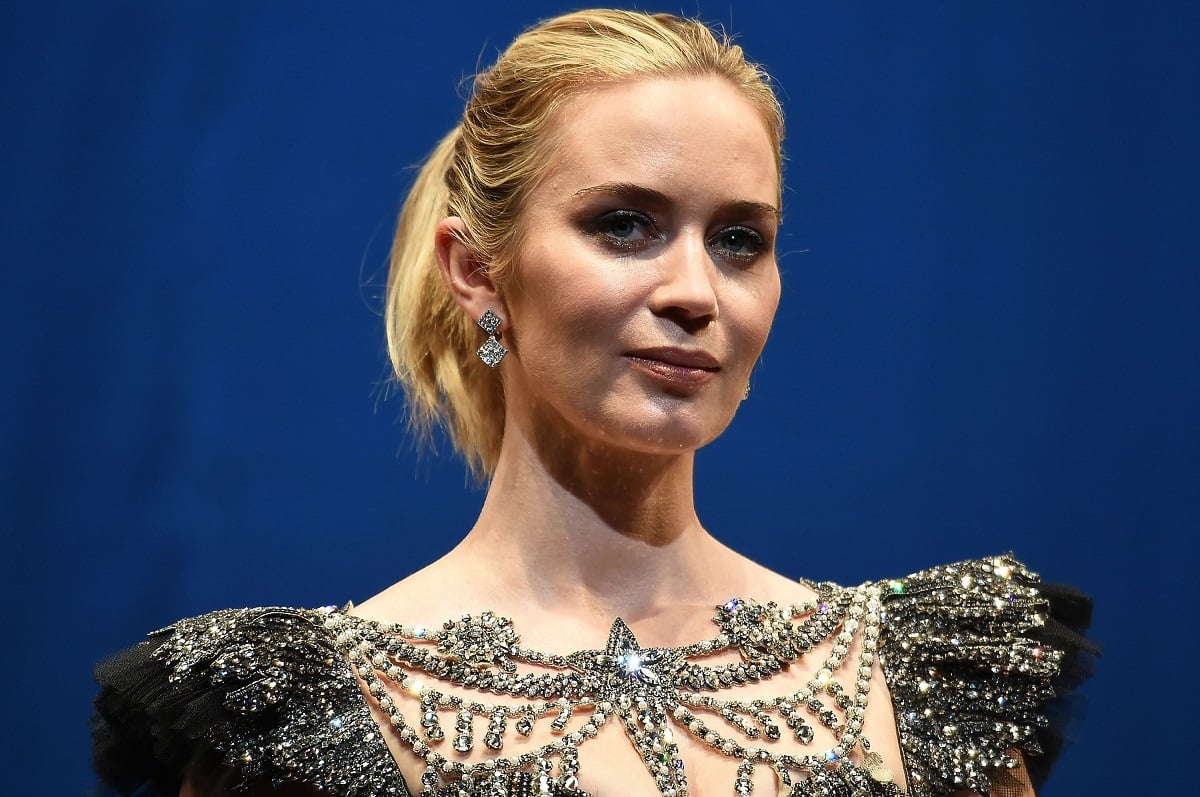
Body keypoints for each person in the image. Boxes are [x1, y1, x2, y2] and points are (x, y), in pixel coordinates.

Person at [93, 9, 1092, 797]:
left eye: (739, 240)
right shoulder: (305, 716)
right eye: (624, 225)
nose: (696, 292)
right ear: (477, 269)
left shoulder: (911, 678)